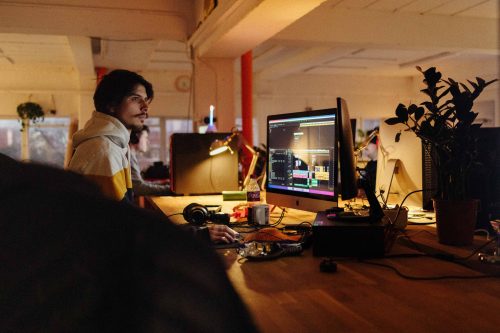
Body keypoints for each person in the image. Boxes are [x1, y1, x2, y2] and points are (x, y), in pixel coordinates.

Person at [0, 153, 257, 332]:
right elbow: (108, 231)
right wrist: (194, 235)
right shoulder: (102, 149)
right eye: (137, 99)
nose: (145, 107)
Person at [68, 69, 152, 203]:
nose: (145, 107)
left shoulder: (116, 144)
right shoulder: (104, 151)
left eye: (146, 100)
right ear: (111, 104)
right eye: (135, 99)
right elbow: (113, 219)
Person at [129, 125, 170, 196]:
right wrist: (168, 190)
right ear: (136, 137)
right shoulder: (129, 157)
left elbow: (140, 183)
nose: (148, 142)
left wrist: (162, 183)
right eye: (145, 138)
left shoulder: (131, 156)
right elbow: (138, 188)